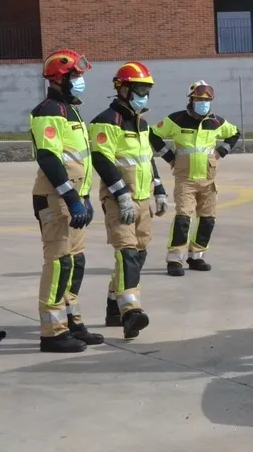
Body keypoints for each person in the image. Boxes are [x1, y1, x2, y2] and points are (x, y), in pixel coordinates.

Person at [30, 49, 105, 352]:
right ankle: (52, 331)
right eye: (75, 76)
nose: (80, 81)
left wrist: (84, 198)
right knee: (58, 263)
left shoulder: (70, 110)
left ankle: (71, 319)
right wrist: (72, 196)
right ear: (59, 79)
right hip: (56, 198)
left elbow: (79, 160)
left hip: (74, 198)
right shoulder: (47, 111)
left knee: (75, 261)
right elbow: (48, 157)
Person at [90, 61, 170, 339]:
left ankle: (114, 306)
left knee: (140, 253)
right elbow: (101, 158)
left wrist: (159, 189)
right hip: (118, 199)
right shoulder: (106, 121)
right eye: (138, 89)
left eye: (146, 90)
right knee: (127, 253)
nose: (143, 95)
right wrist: (121, 193)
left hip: (142, 198)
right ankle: (131, 311)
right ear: (122, 89)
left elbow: (148, 159)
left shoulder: (142, 123)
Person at [149, 80, 241, 276]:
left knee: (208, 219)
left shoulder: (216, 122)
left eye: (207, 100)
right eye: (199, 99)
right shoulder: (177, 120)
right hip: (186, 179)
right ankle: (174, 259)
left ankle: (196, 256)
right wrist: (168, 155)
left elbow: (234, 133)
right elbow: (153, 134)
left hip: (208, 179)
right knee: (184, 219)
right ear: (191, 100)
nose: (203, 103)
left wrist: (221, 152)